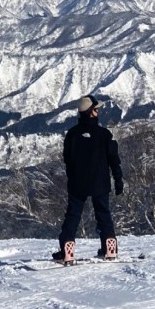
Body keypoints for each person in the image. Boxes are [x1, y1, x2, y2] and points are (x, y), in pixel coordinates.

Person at [52, 95, 124, 262]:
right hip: (101, 183)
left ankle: (67, 248)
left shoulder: (72, 135)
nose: (98, 111)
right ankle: (109, 247)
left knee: (73, 215)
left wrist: (72, 178)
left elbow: (67, 160)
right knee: (103, 214)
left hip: (78, 184)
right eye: (96, 109)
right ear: (91, 112)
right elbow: (114, 159)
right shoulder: (104, 135)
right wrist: (118, 180)